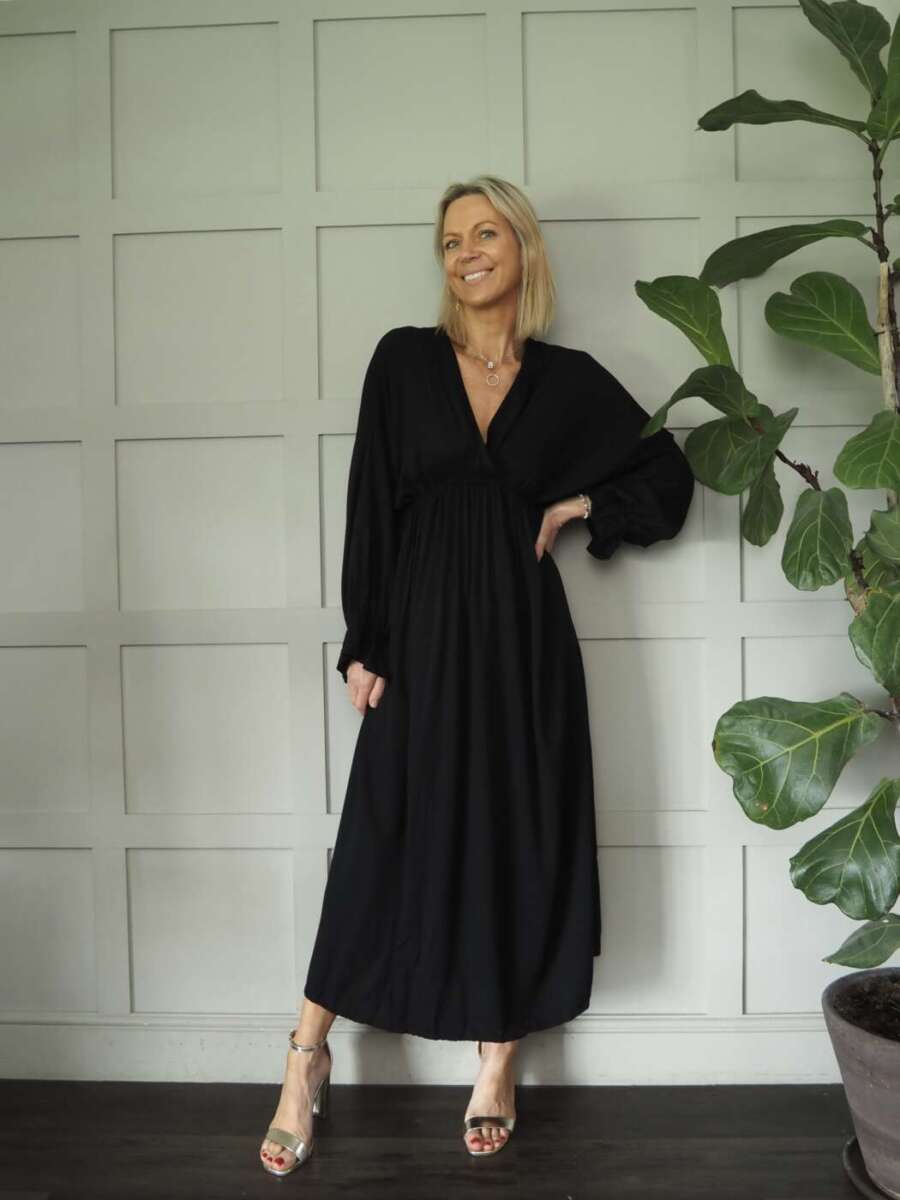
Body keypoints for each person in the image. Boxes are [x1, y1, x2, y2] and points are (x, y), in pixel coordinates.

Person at [260, 174, 695, 1174]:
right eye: (452, 239)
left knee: (513, 829)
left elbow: (667, 477)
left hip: (520, 642)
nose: (465, 252)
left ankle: (498, 1058)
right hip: (418, 634)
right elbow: (371, 503)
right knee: (379, 834)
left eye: (486, 233)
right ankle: (306, 1055)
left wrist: (580, 506)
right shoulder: (405, 361)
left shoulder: (568, 382)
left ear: (523, 249)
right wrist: (364, 640)